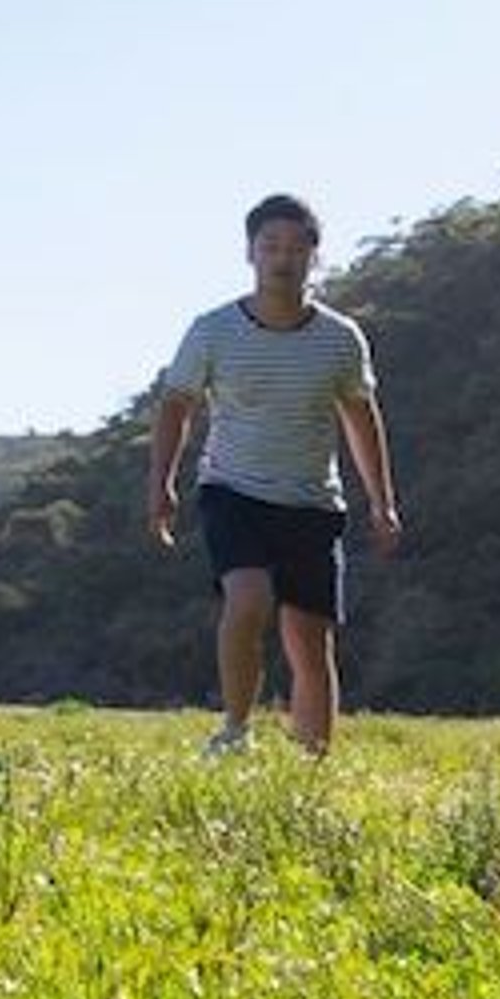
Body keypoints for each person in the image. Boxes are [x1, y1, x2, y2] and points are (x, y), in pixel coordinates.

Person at [146, 193, 407, 755]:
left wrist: (382, 502)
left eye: (295, 248)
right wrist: (161, 484)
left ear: (314, 257)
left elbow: (362, 419)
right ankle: (235, 731)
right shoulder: (213, 330)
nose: (282, 259)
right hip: (233, 491)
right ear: (250, 253)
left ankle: (311, 765)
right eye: (270, 247)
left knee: (309, 642)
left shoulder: (340, 338)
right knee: (248, 598)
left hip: (313, 503)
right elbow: (176, 405)